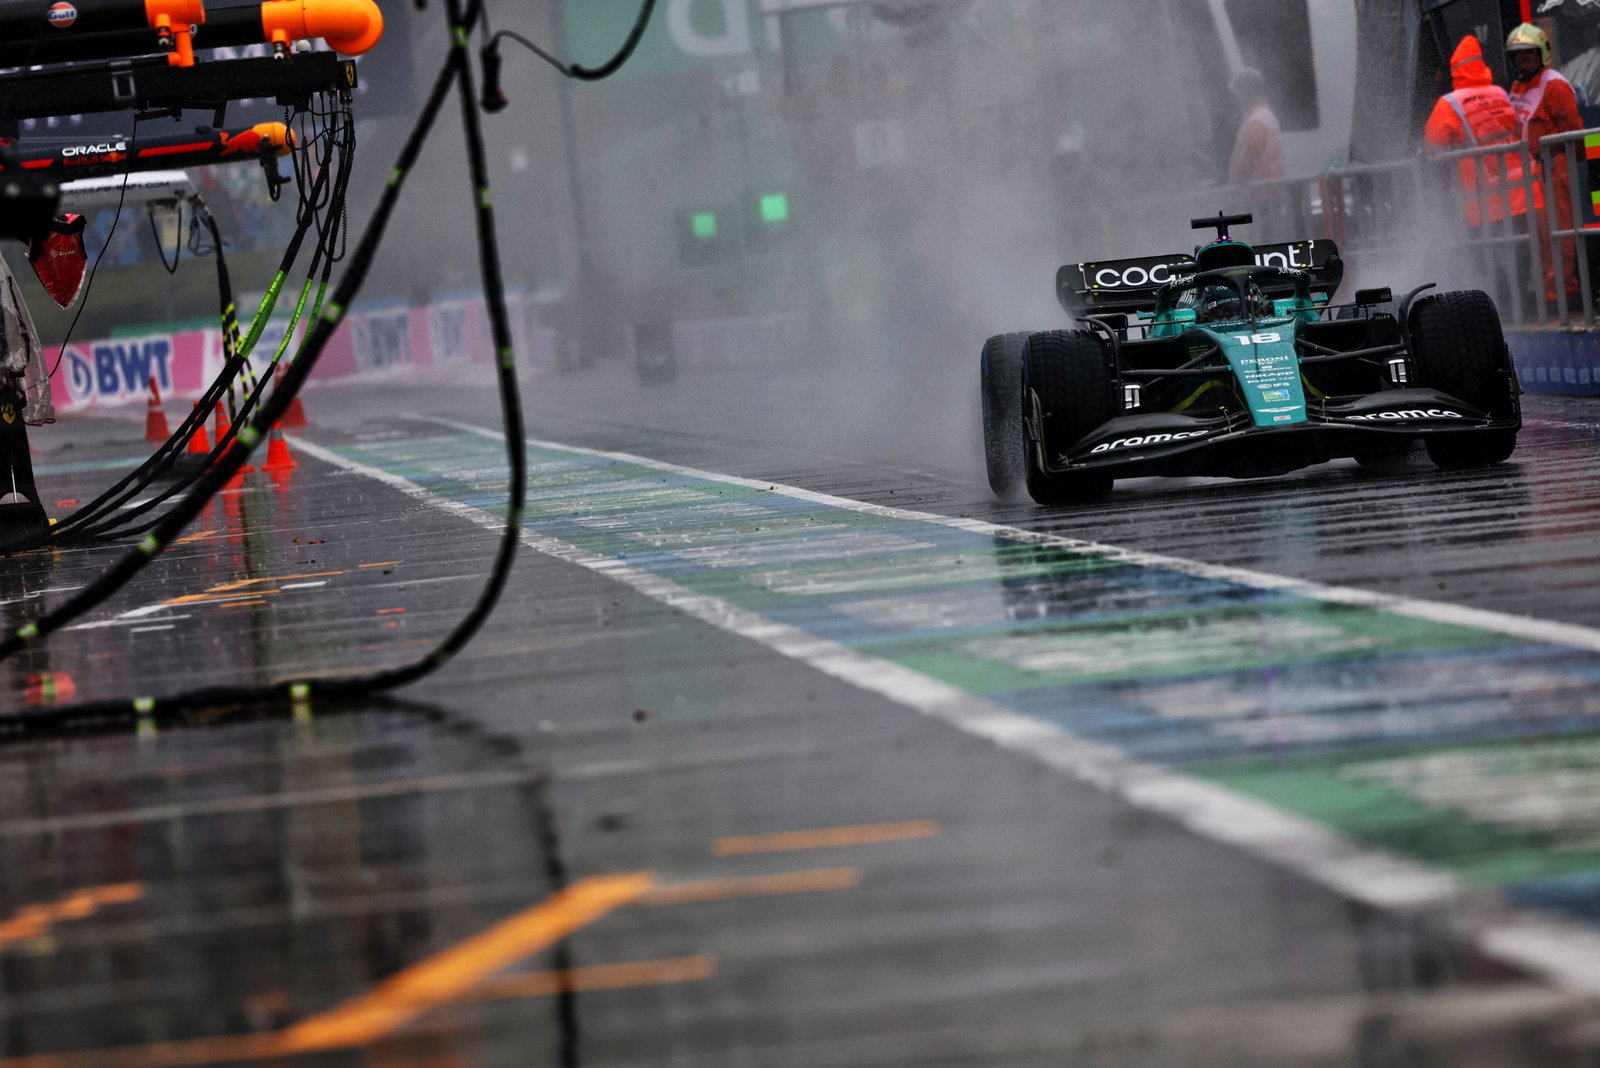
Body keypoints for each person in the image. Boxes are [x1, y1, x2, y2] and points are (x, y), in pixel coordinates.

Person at [1507, 21, 1585, 307]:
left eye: (1529, 53)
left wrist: (1563, 166)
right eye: (1518, 55)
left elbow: (1574, 132)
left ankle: (1564, 294)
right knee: (1538, 237)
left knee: (1558, 233)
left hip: (1553, 170)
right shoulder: (1518, 86)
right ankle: (1546, 291)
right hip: (1529, 175)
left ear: (1542, 53)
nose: (1523, 58)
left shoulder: (1554, 85)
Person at [1423, 35, 1527, 230]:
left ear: (1455, 69)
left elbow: (1431, 148)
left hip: (1485, 202)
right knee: (1524, 255)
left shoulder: (1450, 103)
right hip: (1521, 195)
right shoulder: (1499, 93)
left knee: (1491, 256)